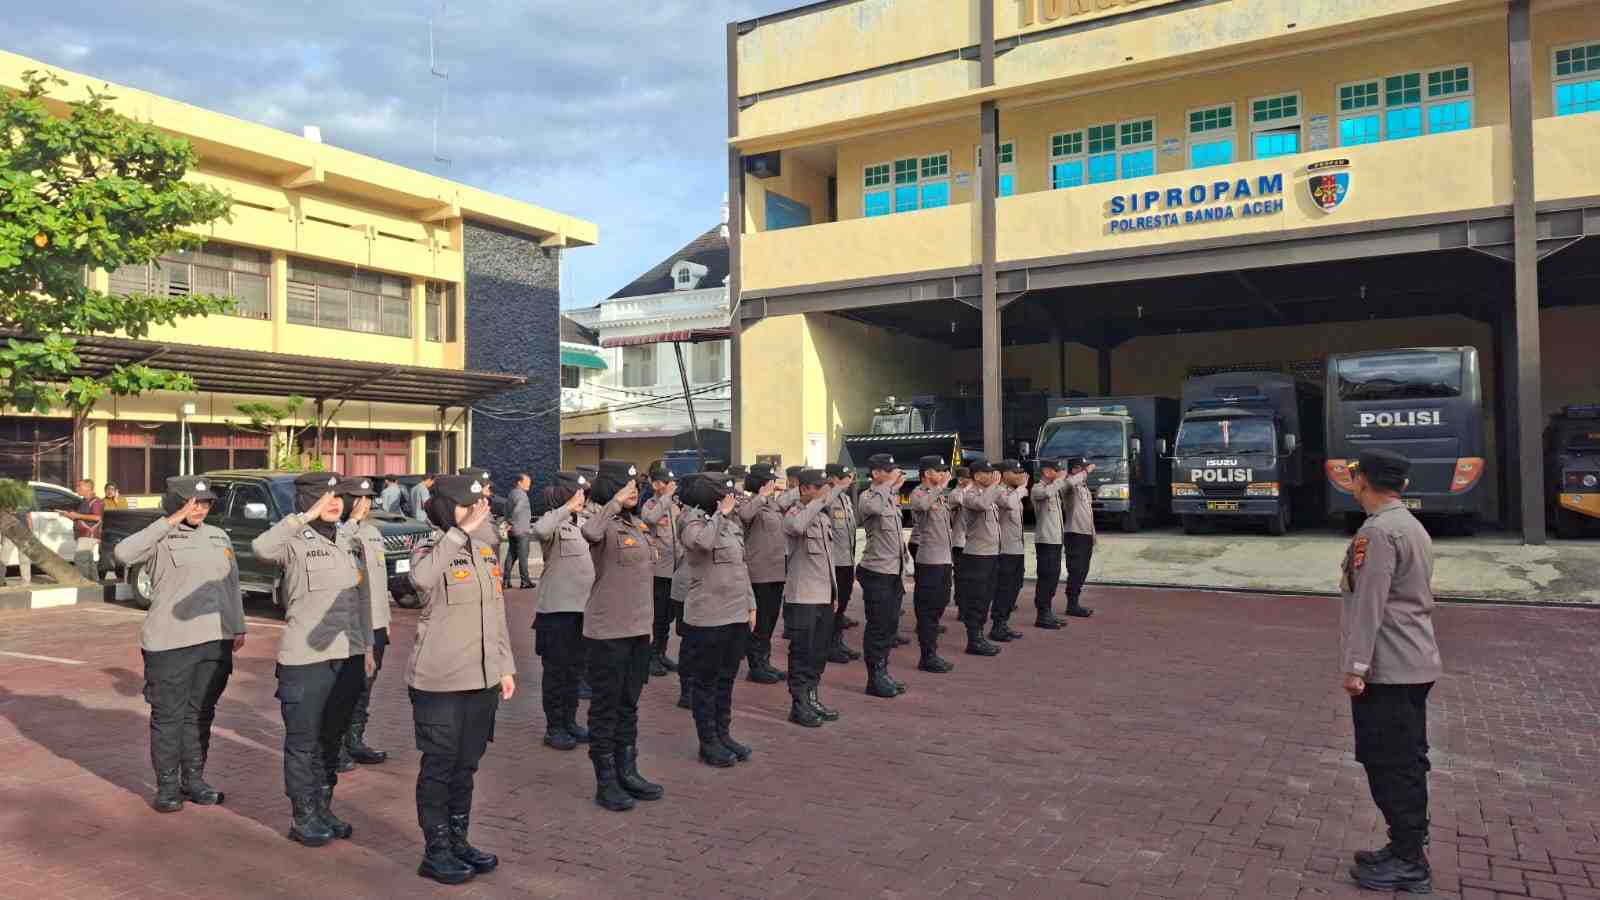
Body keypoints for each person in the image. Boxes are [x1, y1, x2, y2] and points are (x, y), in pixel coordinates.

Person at [252, 473, 373, 849]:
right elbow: (260, 547)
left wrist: (367, 647)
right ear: (306, 500)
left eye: (337, 496)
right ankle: (303, 816)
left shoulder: (347, 540)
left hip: (348, 656)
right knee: (303, 742)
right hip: (306, 660)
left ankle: (323, 808)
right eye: (324, 496)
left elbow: (360, 601)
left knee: (331, 740)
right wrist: (303, 518)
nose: (333, 502)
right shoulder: (293, 540)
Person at [406, 475, 515, 884]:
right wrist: (458, 532)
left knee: (466, 766)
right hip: (440, 682)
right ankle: (435, 851)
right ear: (445, 509)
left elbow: (497, 614)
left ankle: (457, 840)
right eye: (466, 505)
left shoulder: (485, 553)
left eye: (477, 505)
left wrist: (504, 666)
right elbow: (421, 582)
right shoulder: (429, 548)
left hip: (480, 678)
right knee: (440, 766)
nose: (475, 511)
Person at [1341, 449, 1441, 894]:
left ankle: (1409, 860)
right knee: (1403, 759)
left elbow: (1369, 604)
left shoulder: (1379, 533)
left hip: (1390, 665)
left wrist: (1355, 665)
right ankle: (1403, 844)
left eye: (1355, 474)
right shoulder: (1408, 524)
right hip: (1413, 659)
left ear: (1363, 481)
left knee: (1390, 763)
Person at [113, 476, 244, 813]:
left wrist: (238, 627)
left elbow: (231, 585)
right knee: (169, 716)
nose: (200, 508)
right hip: (170, 644)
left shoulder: (219, 536)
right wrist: (170, 520)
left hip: (214, 641)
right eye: (192, 502)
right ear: (175, 502)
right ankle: (168, 786)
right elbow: (124, 553)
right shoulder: (160, 535)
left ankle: (195, 781)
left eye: (205, 503)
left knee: (200, 715)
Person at [581, 460, 665, 810]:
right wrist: (614, 502)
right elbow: (590, 533)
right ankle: (606, 780)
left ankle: (627, 770)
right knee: (605, 707)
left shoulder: (636, 523)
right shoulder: (600, 520)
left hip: (637, 630)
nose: (634, 491)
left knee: (628, 705)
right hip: (608, 631)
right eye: (627, 486)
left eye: (635, 486)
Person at [679, 472, 757, 768]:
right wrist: (721, 515)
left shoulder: (731, 525)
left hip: (736, 613)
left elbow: (741, 567)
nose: (730, 498)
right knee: (706, 682)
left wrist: (750, 604)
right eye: (724, 494)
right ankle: (708, 741)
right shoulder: (692, 522)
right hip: (708, 616)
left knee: (726, 679)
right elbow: (703, 545)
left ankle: (724, 734)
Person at [532, 472, 593, 751]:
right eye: (577, 493)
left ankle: (569, 720)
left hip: (582, 610)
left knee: (574, 672)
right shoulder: (554, 523)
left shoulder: (584, 523)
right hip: (556, 611)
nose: (582, 498)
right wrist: (566, 507)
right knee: (556, 673)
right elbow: (540, 530)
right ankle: (554, 726)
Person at [334, 477, 392, 772]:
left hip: (377, 622)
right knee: (345, 687)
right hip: (349, 625)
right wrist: (349, 523)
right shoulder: (336, 532)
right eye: (359, 499)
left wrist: (387, 623)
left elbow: (378, 583)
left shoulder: (373, 532)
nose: (365, 505)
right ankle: (337, 745)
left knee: (365, 687)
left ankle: (355, 740)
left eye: (369, 499)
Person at [782, 468, 844, 726]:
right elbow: (796, 527)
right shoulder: (795, 512)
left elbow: (829, 560)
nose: (825, 492)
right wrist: (819, 501)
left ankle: (812, 697)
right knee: (801, 653)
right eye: (820, 488)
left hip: (823, 595)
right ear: (805, 489)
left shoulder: (822, 517)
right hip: (802, 596)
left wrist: (834, 592)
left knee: (818, 653)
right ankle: (798, 705)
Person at [857, 454, 910, 698]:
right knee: (878, 627)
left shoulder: (890, 497)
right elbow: (875, 509)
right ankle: (874, 678)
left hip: (893, 572)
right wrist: (888, 486)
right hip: (876, 572)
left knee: (890, 626)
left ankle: (884, 671)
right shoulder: (868, 496)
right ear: (876, 473)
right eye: (887, 470)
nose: (893, 473)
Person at [739, 463, 787, 684]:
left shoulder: (773, 505)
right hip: (759, 573)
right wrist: (760, 496)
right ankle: (756, 666)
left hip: (776, 571)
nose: (773, 484)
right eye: (769, 480)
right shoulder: (748, 503)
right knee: (759, 623)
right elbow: (744, 516)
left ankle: (765, 662)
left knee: (770, 620)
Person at [909, 455, 956, 674]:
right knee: (927, 609)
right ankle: (928, 655)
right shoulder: (919, 493)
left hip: (944, 558)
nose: (943, 474)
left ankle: (931, 648)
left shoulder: (941, 496)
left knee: (942, 600)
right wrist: (942, 487)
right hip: (929, 559)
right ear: (927, 474)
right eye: (939, 470)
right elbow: (922, 505)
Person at [957, 458, 1003, 657]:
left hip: (991, 554)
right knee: (976, 598)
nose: (993, 476)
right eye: (988, 473)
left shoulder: (988, 494)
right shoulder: (970, 496)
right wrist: (994, 485)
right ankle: (973, 640)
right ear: (976, 476)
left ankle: (980, 637)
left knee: (986, 597)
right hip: (977, 556)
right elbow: (983, 504)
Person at [640, 464, 681, 677]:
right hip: (659, 571)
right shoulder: (650, 504)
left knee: (669, 616)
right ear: (655, 484)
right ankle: (652, 656)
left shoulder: (675, 504)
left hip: (676, 568)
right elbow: (650, 519)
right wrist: (666, 498)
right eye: (666, 483)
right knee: (658, 615)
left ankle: (661, 653)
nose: (669, 486)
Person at [824, 464, 861, 664]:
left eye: (848, 477)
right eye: (842, 477)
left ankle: (838, 642)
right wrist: (836, 486)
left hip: (847, 560)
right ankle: (828, 645)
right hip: (833, 562)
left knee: (843, 604)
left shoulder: (846, 499)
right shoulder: (827, 497)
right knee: (833, 606)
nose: (847, 481)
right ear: (831, 478)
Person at [1029, 459, 1070, 630]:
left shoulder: (1055, 489)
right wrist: (1060, 479)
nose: (1060, 473)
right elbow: (1046, 493)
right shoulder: (1038, 488)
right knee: (1046, 576)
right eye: (1056, 470)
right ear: (1047, 472)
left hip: (1055, 540)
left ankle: (1048, 612)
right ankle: (1042, 614)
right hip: (1045, 540)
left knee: (1053, 576)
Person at [1061, 456, 1098, 618]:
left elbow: (1088, 514)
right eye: (1081, 468)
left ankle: (1075, 602)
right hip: (1074, 533)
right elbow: (1069, 483)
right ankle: (1072, 604)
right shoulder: (1069, 483)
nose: (1085, 471)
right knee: (1076, 569)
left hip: (1085, 533)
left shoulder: (1083, 487)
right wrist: (1085, 472)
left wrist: (1093, 534)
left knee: (1083, 570)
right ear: (1074, 470)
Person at [63, 478, 104, 580]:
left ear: (87, 488)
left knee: (80, 559)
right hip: (83, 534)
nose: (77, 488)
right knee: (88, 560)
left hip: (89, 534)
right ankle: (95, 583)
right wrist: (69, 516)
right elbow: (81, 518)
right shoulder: (84, 501)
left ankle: (86, 582)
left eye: (79, 486)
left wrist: (77, 515)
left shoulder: (96, 501)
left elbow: (97, 517)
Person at [504, 473, 534, 589]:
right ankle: (525, 581)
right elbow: (517, 509)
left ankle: (506, 580)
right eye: (527, 482)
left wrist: (508, 522)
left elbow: (506, 509)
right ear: (519, 482)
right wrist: (511, 521)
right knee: (523, 556)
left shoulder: (511, 493)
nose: (529, 485)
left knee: (511, 554)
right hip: (522, 530)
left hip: (512, 530)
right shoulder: (522, 495)